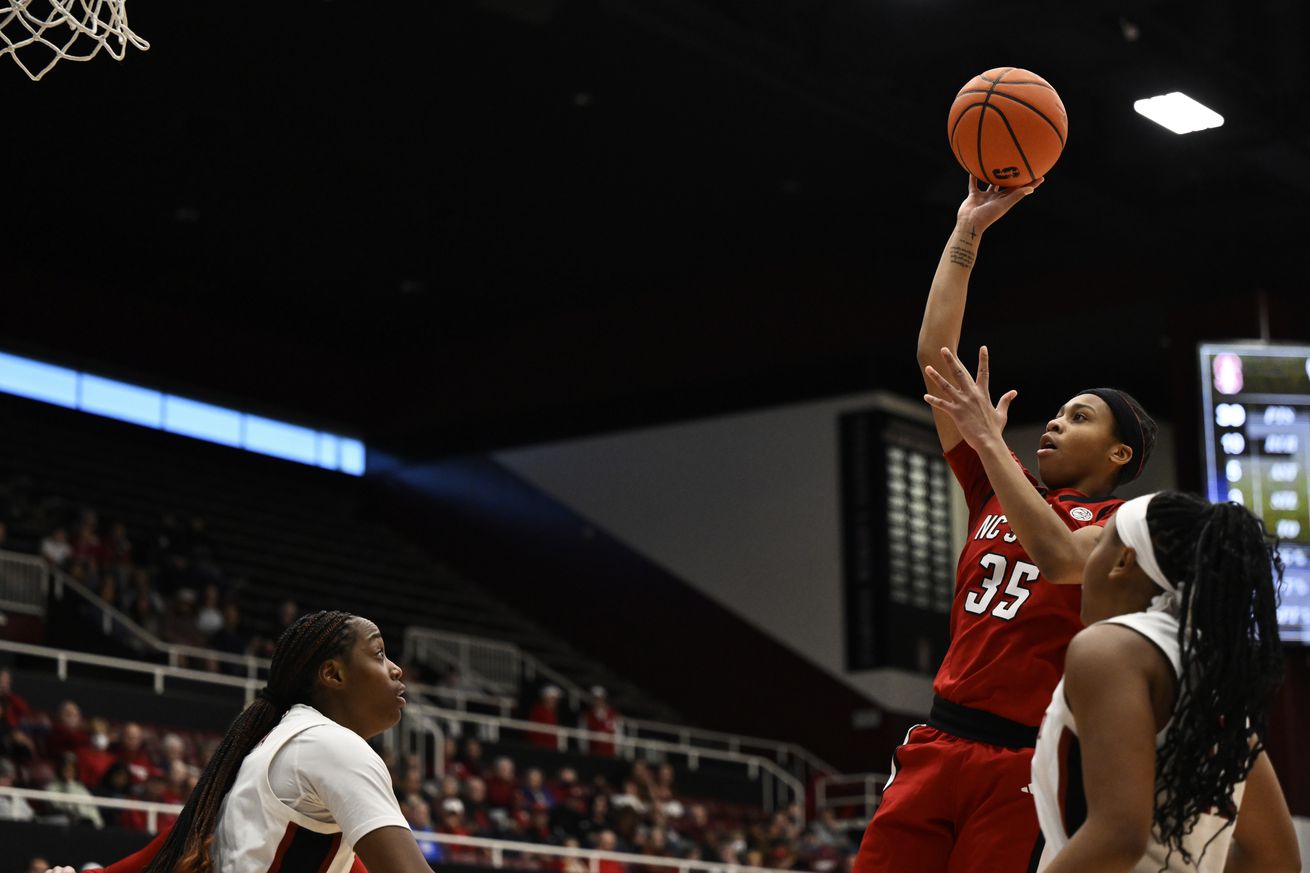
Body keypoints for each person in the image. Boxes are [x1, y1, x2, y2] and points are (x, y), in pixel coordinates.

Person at [854, 175, 1158, 873]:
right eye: (1057, 411)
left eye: (1079, 416)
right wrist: (969, 230)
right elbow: (936, 356)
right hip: (939, 737)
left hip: (1026, 758)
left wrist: (990, 444)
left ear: (1119, 454)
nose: (1053, 420)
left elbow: (1060, 559)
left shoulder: (1127, 523)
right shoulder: (1000, 486)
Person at [1031, 492, 1300, 872]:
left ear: (1123, 559)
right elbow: (1275, 859)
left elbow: (1119, 836)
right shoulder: (1209, 676)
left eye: (1098, 543)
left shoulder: (1110, 648)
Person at [52, 609, 431, 873]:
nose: (396, 668)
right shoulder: (331, 746)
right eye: (379, 653)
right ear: (332, 674)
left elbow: (173, 844)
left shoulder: (275, 746)